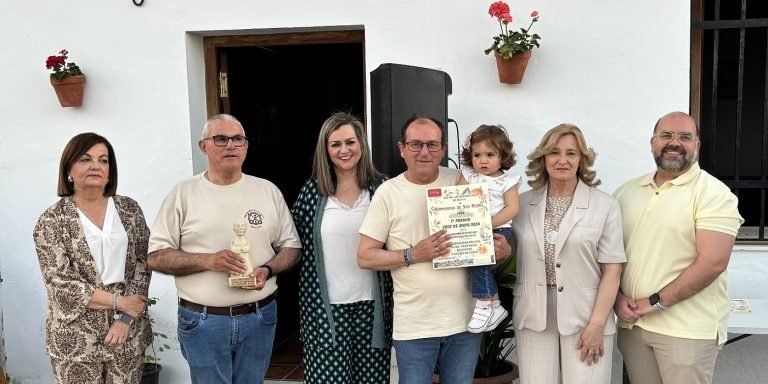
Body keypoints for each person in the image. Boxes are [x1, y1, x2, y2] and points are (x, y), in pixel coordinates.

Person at [357, 115, 514, 384]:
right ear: (402, 148)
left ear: (443, 148)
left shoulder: (465, 181)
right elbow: (365, 256)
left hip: (466, 322)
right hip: (415, 326)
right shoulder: (388, 192)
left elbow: (493, 228)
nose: (424, 152)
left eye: (432, 144)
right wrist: (412, 254)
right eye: (416, 144)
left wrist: (503, 251)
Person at [147, 113, 301, 384]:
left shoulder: (267, 191)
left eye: (237, 139)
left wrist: (267, 269)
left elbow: (291, 247)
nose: (231, 145)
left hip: (260, 316)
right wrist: (208, 261)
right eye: (220, 139)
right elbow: (157, 257)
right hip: (203, 320)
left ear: (246, 146)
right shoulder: (183, 194)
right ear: (203, 146)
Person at [613, 111, 744, 384]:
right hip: (633, 325)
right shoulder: (626, 192)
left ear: (697, 145)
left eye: (685, 136)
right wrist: (617, 296)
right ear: (652, 142)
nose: (674, 142)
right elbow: (610, 254)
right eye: (666, 135)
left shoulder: (713, 194)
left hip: (687, 332)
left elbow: (713, 262)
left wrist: (655, 302)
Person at [511, 124, 625, 384]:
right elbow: (508, 258)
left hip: (587, 315)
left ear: (582, 159)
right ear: (543, 158)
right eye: (554, 152)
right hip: (534, 312)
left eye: (571, 153)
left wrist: (596, 325)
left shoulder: (605, 206)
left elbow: (612, 271)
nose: (562, 160)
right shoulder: (520, 205)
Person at [33, 132, 152, 383]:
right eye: (86, 159)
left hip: (126, 332)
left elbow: (143, 264)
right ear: (69, 170)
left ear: (110, 171)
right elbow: (60, 284)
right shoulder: (51, 220)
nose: (96, 166)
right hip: (75, 338)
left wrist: (126, 319)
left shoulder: (130, 210)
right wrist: (120, 302)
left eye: (104, 160)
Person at [290, 112, 392, 384]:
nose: (344, 150)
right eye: (335, 144)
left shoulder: (382, 190)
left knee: (372, 380)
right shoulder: (312, 192)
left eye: (350, 142)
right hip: (325, 309)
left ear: (362, 144)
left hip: (372, 306)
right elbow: (291, 241)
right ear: (325, 149)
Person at [458, 124, 521, 333]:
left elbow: (513, 207)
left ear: (502, 155)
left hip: (497, 229)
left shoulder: (506, 181)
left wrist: (489, 223)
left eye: (490, 154)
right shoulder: (468, 175)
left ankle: (484, 304)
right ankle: (494, 305)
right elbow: (458, 197)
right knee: (476, 262)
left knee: (480, 261)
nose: (483, 160)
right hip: (472, 228)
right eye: (477, 155)